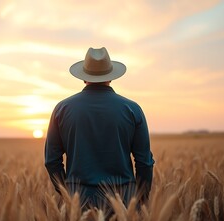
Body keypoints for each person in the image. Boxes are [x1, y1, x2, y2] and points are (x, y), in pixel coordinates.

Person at [45, 47, 154, 212]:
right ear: (111, 77)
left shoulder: (62, 109)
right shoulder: (132, 109)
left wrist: (68, 192)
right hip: (124, 200)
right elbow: (144, 162)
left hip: (78, 200)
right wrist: (139, 200)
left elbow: (52, 161)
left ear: (83, 78)